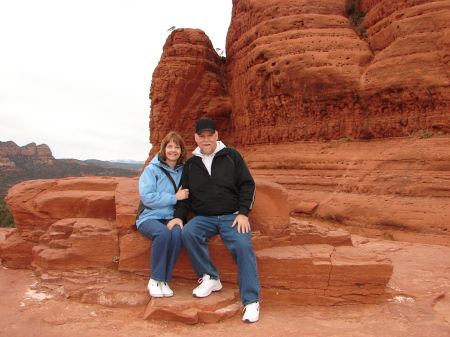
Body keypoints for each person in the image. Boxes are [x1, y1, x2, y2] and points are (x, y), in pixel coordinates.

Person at [167, 118, 261, 323]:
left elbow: (248, 184)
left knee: (243, 247)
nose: (206, 139)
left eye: (210, 135)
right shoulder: (191, 165)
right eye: (202, 136)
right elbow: (185, 196)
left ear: (217, 136)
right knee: (188, 233)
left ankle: (251, 301)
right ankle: (210, 277)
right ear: (196, 138)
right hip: (205, 217)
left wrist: (243, 212)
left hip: (233, 216)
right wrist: (178, 218)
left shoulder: (231, 155)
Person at [136, 131, 189, 298]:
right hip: (148, 217)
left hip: (170, 216)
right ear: (164, 149)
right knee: (163, 233)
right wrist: (174, 198)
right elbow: (147, 197)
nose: (173, 150)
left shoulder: (183, 171)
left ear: (181, 151)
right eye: (170, 146)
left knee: (177, 233)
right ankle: (155, 279)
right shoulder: (152, 170)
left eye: (177, 147)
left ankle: (164, 280)